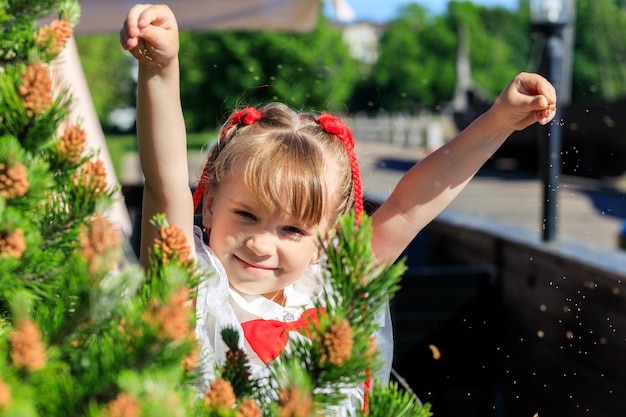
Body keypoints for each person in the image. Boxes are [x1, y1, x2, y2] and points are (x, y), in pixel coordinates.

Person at [119, 2, 557, 408]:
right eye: (246, 215)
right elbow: (166, 187)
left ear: (329, 237)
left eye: (292, 229)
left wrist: (497, 122)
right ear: (210, 205)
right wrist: (160, 70)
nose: (260, 244)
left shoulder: (332, 284)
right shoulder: (191, 285)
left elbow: (409, 207)